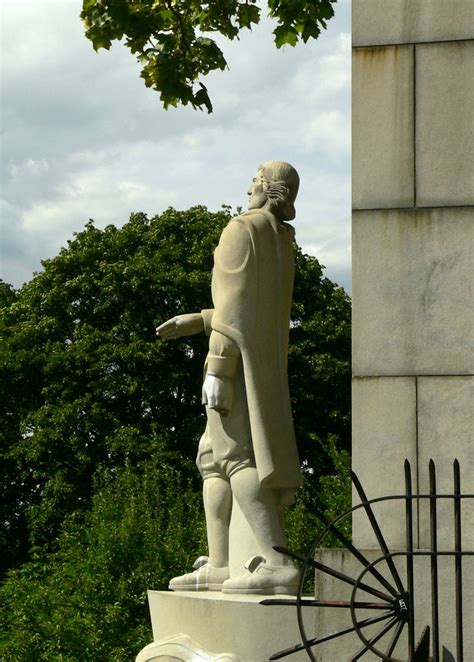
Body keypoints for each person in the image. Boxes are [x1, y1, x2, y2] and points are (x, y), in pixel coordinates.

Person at [156, 161, 302, 594]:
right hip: (262, 362)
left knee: (235, 456)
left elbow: (236, 304)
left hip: (233, 363)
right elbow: (255, 307)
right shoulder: (280, 238)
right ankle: (220, 563)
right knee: (210, 456)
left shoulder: (242, 229)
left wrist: (217, 365)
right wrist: (197, 319)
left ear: (265, 189)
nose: (247, 189)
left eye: (254, 183)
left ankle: (276, 565)